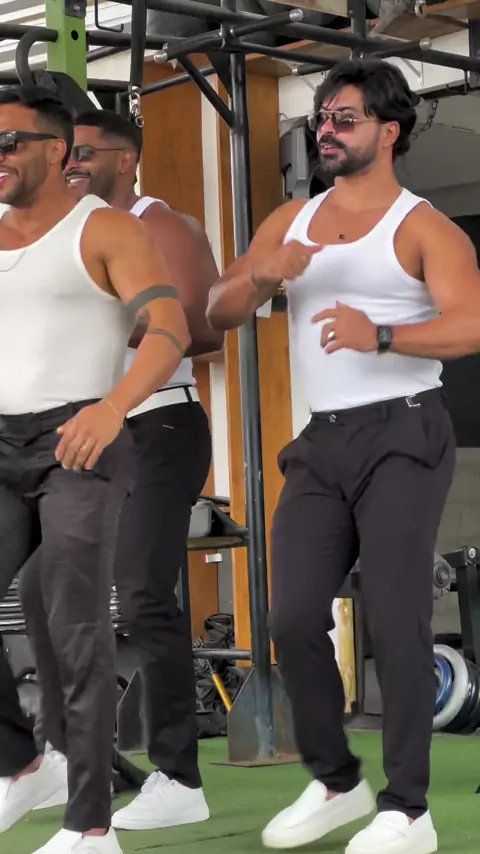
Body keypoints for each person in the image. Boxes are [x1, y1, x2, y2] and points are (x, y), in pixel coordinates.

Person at [206, 57, 480, 854]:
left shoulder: (424, 227)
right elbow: (217, 310)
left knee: (395, 619)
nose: (326, 129)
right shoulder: (290, 220)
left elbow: (470, 325)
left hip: (404, 430)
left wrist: (381, 333)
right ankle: (336, 781)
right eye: (322, 117)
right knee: (291, 618)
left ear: (389, 132)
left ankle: (409, 810)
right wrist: (260, 275)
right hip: (322, 440)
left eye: (344, 118)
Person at [0, 84, 190, 854]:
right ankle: (23, 764)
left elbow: (168, 328)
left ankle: (90, 824)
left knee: (76, 628)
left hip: (79, 438)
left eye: (10, 141)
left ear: (56, 150)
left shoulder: (105, 229)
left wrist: (112, 409)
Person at [37, 109, 220, 831]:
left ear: (126, 159)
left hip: (160, 425)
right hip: (87, 432)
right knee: (38, 588)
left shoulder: (160, 225)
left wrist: (120, 316)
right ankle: (67, 756)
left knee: (143, 593)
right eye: (67, 155)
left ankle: (180, 778)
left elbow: (202, 324)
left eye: (85, 153)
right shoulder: (65, 234)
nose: (73, 165)